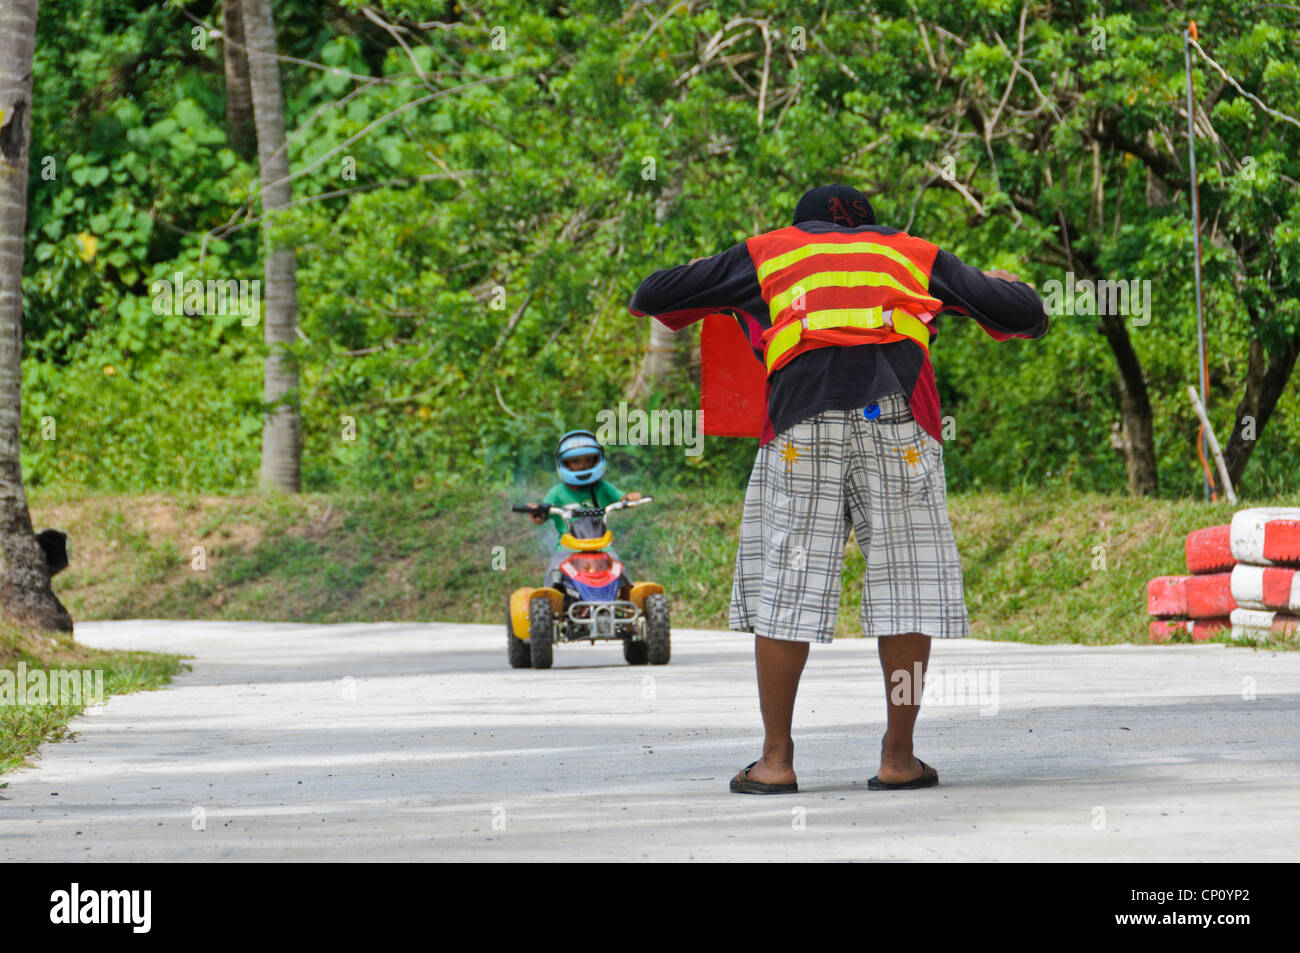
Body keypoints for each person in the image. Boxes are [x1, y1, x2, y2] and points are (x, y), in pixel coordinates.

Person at [629, 184, 1048, 794]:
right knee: (907, 581)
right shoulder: (912, 254)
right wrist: (999, 282)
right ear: (867, 230)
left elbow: (652, 295)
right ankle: (898, 758)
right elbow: (1026, 315)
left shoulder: (768, 252)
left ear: (804, 225)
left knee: (787, 580)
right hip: (899, 420)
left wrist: (701, 272)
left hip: (803, 423)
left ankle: (775, 763)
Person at [526, 430, 641, 588]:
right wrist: (536, 512)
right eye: (575, 461)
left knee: (619, 570)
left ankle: (628, 601)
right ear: (564, 464)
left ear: (597, 460)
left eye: (588, 460)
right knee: (554, 573)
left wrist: (629, 498)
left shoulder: (601, 487)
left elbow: (622, 498)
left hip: (601, 546)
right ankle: (550, 604)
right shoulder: (556, 493)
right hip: (568, 548)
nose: (582, 465)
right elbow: (541, 517)